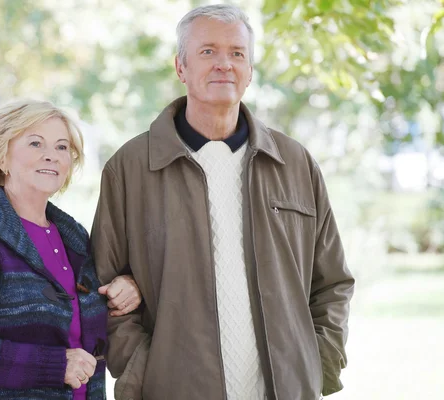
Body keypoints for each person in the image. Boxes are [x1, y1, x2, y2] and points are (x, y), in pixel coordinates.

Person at [91, 4, 355, 400]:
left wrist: (316, 364)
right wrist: (145, 371)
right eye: (207, 51)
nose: (224, 64)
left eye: (237, 53)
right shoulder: (130, 168)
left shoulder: (295, 163)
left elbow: (332, 282)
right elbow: (103, 287)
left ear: (249, 70)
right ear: (181, 68)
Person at [0, 100, 142, 400]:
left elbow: (84, 316)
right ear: (1, 156)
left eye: (62, 147)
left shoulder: (74, 236)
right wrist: (54, 366)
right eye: (35, 143)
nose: (51, 156)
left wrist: (127, 286)